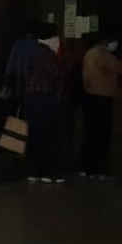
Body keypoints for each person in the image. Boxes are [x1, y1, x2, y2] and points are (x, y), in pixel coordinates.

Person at [22, 23, 71, 184]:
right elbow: (56, 75)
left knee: (34, 134)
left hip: (31, 97)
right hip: (45, 98)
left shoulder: (30, 52)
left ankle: (33, 171)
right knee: (48, 135)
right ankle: (48, 172)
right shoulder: (47, 54)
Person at [81, 33, 121, 180]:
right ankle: (100, 170)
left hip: (89, 95)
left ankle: (86, 168)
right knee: (102, 134)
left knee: (90, 133)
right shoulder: (104, 54)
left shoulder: (89, 53)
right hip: (103, 97)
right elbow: (119, 68)